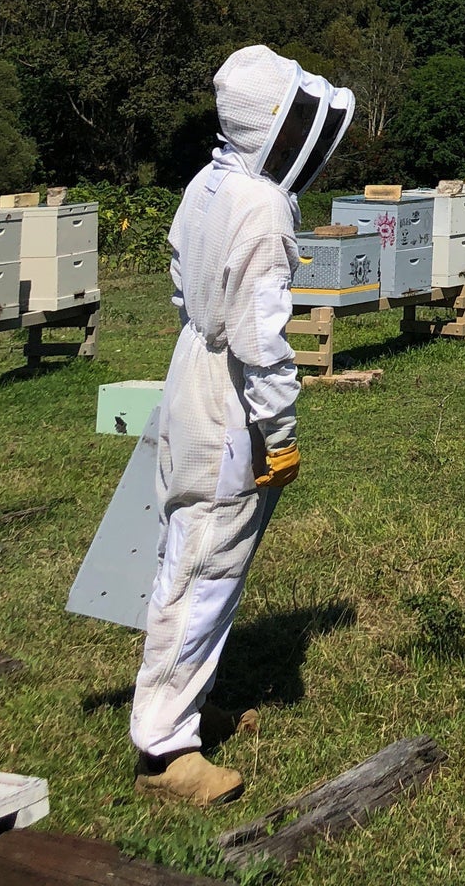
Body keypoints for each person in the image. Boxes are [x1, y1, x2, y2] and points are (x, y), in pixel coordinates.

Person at [131, 45, 354, 804]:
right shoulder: (259, 205)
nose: (301, 142)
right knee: (205, 562)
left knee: (187, 546)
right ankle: (165, 747)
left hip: (191, 364)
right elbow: (264, 340)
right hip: (230, 394)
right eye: (292, 123)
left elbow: (174, 272)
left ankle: (185, 707)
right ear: (271, 124)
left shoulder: (209, 181)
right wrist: (280, 431)